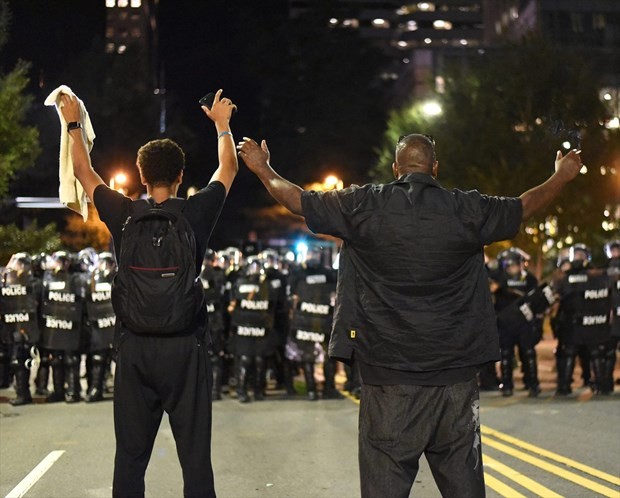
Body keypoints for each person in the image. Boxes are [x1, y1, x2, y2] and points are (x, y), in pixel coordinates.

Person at [237, 133, 582, 497]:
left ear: (395, 169)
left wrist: (262, 168)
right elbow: (523, 206)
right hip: (455, 378)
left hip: (387, 378)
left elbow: (297, 201)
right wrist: (561, 176)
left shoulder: (363, 204)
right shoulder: (465, 209)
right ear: (435, 168)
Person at [59, 89, 238, 498]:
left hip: (135, 348)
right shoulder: (195, 213)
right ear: (180, 177)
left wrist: (72, 123)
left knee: (130, 459)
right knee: (195, 461)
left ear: (141, 176)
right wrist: (222, 125)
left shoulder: (123, 215)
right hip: (184, 349)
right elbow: (227, 169)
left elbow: (84, 172)